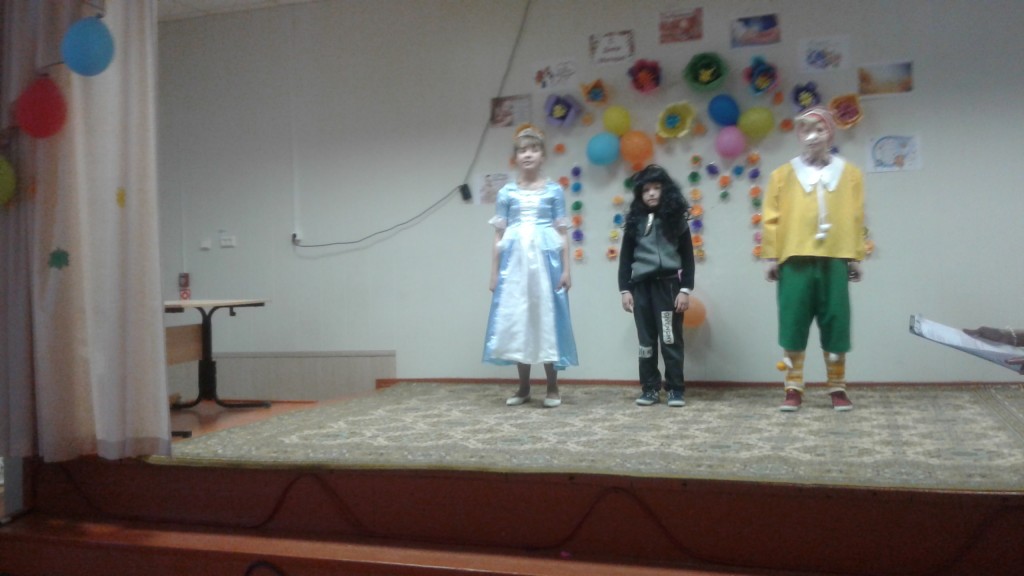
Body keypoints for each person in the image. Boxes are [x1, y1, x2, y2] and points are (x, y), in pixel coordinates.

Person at [762, 107, 865, 412]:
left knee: (836, 320)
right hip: (794, 258)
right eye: (806, 130)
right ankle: (793, 387)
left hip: (834, 257)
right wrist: (772, 256)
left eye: (819, 130)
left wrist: (855, 256)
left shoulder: (850, 174)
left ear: (830, 134)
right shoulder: (782, 175)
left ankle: (837, 387)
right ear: (798, 135)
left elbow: (856, 216)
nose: (812, 136)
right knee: (793, 320)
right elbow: (771, 217)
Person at [483, 124, 578, 407]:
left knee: (546, 318)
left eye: (533, 149)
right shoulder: (507, 193)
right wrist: (493, 273)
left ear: (542, 155)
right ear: (515, 157)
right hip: (514, 266)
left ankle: (552, 386)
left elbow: (562, 232)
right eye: (522, 150)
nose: (527, 154)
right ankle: (523, 387)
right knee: (518, 319)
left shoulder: (554, 191)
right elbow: (498, 235)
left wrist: (566, 269)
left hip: (546, 264)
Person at [618, 165, 695, 407]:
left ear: (665, 190)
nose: (651, 193)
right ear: (640, 194)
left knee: (670, 339)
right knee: (646, 342)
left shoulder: (676, 221)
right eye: (646, 190)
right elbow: (625, 259)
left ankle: (675, 389)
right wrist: (625, 290)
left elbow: (688, 258)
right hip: (641, 289)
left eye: (656, 188)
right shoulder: (635, 222)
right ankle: (650, 388)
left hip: (668, 288)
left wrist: (685, 289)